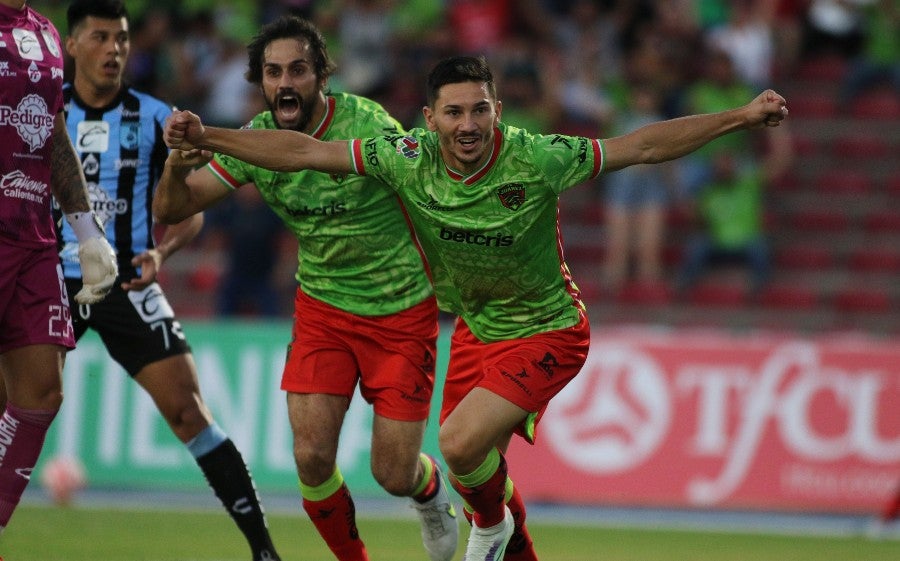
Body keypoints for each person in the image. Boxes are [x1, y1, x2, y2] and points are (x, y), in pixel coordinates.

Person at [162, 54, 789, 561]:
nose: (468, 124)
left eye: (480, 110)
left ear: (497, 111)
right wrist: (212, 136)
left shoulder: (538, 159)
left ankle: (488, 530)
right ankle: (505, 537)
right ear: (429, 118)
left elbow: (643, 147)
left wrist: (741, 116)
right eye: (454, 112)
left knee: (458, 445)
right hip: (476, 329)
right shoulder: (405, 158)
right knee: (469, 469)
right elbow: (305, 152)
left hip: (550, 328)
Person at [152, 15, 458, 561]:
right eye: (273, 73)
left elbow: (417, 189)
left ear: (322, 76)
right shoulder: (252, 140)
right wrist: (177, 164)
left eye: (298, 70)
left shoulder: (367, 123)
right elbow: (174, 207)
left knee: (392, 474)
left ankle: (428, 491)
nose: (285, 82)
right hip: (324, 312)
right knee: (312, 456)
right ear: (260, 82)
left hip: (400, 312)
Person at [54, 3, 282, 560]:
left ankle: (264, 552)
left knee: (189, 412)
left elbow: (190, 210)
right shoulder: (42, 110)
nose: (114, 49)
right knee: (18, 403)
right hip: (49, 280)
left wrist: (162, 249)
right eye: (101, 37)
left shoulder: (157, 117)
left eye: (122, 38)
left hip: (128, 280)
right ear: (71, 45)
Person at [0, 0, 117, 536]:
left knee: (43, 392)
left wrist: (87, 232)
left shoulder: (45, 32)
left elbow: (54, 133)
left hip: (33, 238)